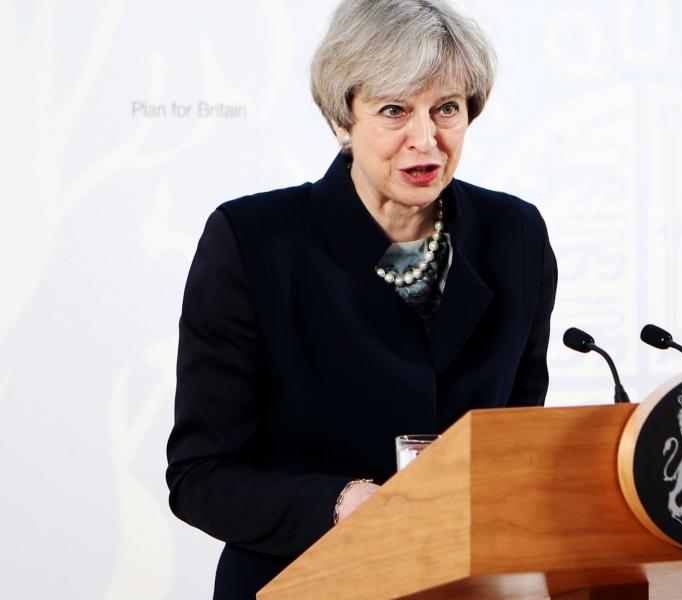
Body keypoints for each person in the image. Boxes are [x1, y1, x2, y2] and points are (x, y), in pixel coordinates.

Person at [165, 0, 558, 597]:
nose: (425, 139)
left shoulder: (516, 236)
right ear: (341, 119)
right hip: (301, 581)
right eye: (394, 110)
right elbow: (200, 477)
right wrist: (342, 501)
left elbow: (516, 447)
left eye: (446, 109)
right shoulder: (254, 241)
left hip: (468, 585)